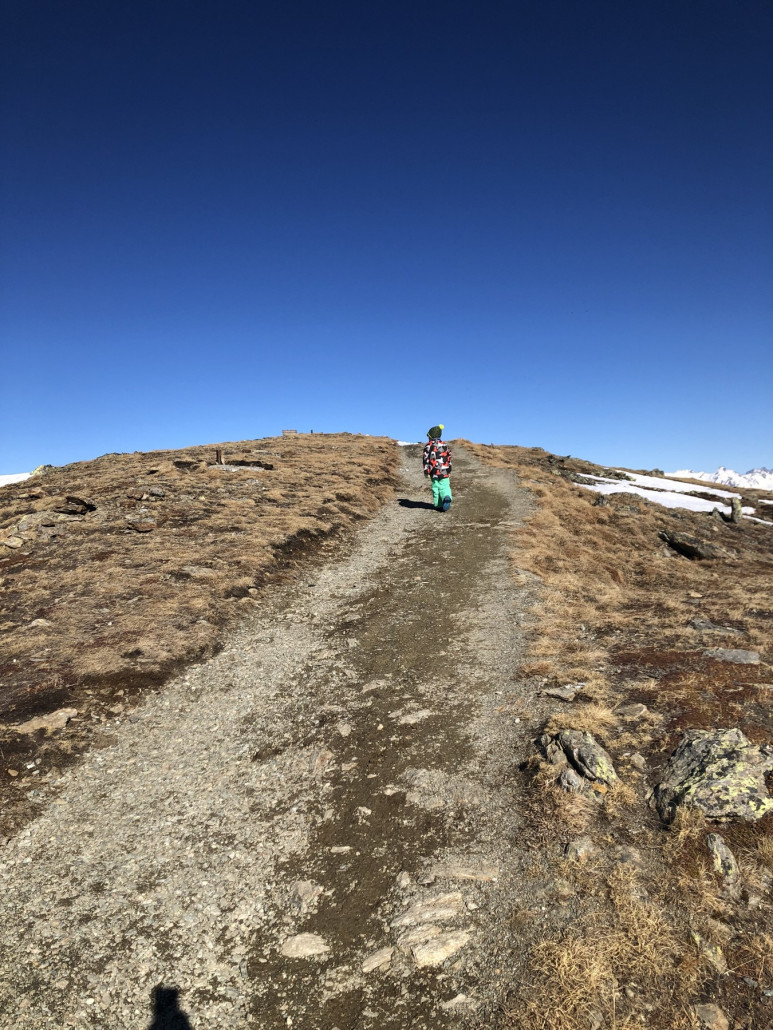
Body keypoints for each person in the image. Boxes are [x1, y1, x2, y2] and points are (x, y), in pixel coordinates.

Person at [423, 425, 452, 511]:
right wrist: (449, 469)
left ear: (430, 436)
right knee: (445, 486)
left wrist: (426, 471)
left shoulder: (428, 446)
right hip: (445, 471)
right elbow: (449, 457)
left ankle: (438, 505)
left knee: (436, 487)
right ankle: (447, 497)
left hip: (434, 471)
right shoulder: (445, 445)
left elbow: (426, 460)